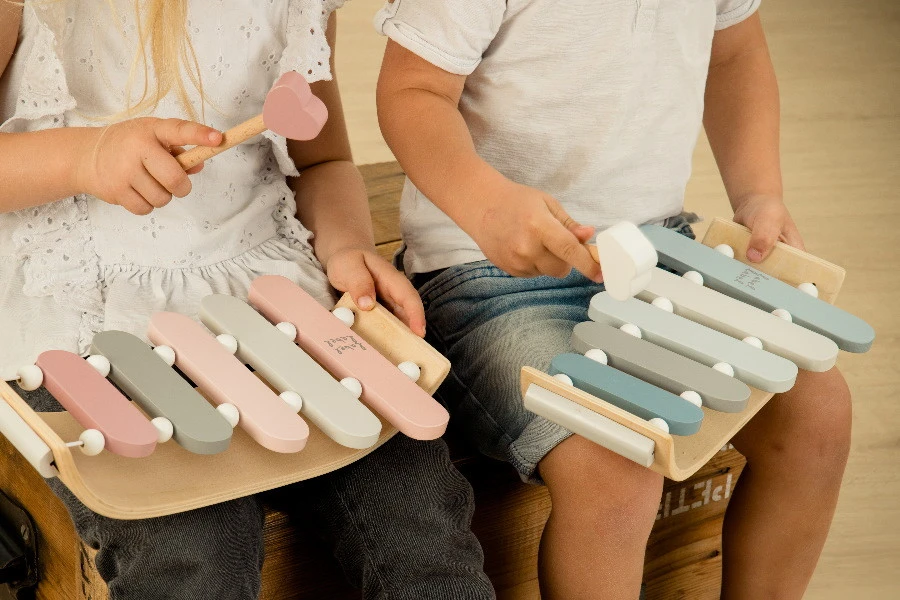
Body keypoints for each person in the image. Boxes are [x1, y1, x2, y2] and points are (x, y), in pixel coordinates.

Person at [0, 1, 494, 598]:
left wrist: (347, 245)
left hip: (276, 306)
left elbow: (323, 159)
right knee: (194, 557)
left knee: (420, 528)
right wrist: (85, 157)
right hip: (90, 326)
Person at [375, 1, 852, 598]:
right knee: (616, 464)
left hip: (661, 251)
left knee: (818, 412)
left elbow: (735, 54)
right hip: (489, 272)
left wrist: (759, 192)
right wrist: (484, 201)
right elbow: (412, 90)